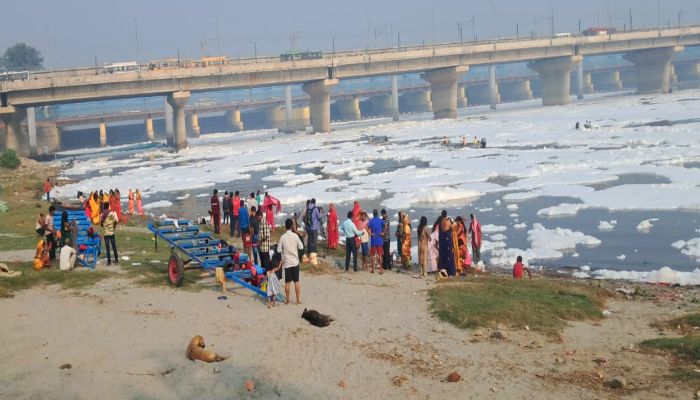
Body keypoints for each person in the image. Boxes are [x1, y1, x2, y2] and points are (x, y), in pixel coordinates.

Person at [278, 218, 304, 305]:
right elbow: (301, 247)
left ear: (285, 226)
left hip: (287, 263)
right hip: (295, 262)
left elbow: (278, 250)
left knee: (287, 282)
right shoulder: (295, 236)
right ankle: (297, 300)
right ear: (292, 226)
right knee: (296, 281)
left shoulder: (282, 237)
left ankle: (288, 300)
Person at [367, 209, 384, 274]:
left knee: (373, 255)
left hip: (373, 240)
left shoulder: (371, 221)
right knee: (380, 255)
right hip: (379, 240)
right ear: (377, 214)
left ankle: (373, 269)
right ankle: (381, 270)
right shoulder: (380, 220)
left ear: (373, 214)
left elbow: (366, 226)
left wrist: (369, 233)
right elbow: (385, 225)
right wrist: (383, 232)